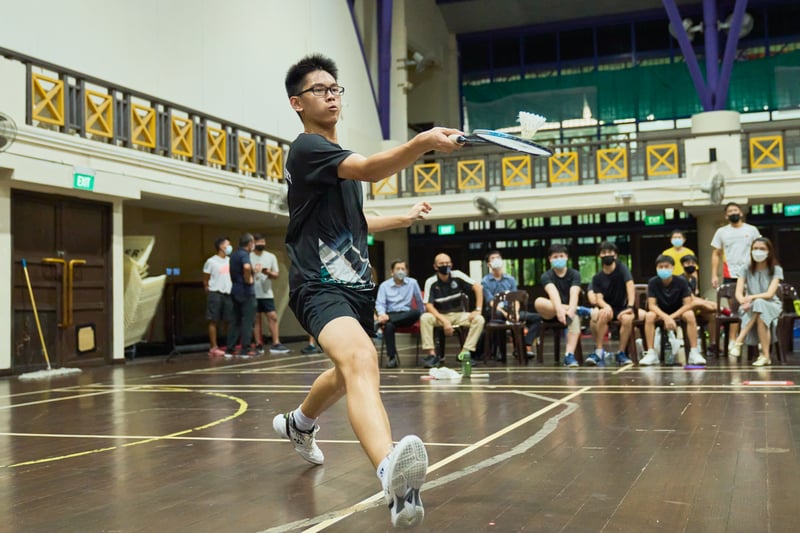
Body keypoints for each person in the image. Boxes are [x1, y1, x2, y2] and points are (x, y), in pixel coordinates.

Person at [272, 54, 462, 529]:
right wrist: (422, 141)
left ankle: (299, 423)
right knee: (360, 361)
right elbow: (376, 169)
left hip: (356, 289)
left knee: (345, 372)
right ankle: (390, 472)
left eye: (336, 88)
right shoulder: (309, 149)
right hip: (318, 284)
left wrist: (404, 217)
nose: (332, 95)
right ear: (297, 103)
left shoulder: (337, 166)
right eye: (320, 90)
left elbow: (357, 225)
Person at [420, 253, 485, 368]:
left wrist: (478, 309)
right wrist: (444, 321)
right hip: (440, 316)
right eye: (441, 264)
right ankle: (432, 355)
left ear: (451, 264)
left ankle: (464, 353)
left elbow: (478, 287)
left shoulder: (458, 275)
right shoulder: (431, 281)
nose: (445, 265)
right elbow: (428, 305)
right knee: (425, 318)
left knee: (479, 319)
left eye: (447, 263)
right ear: (435, 267)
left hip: (459, 314)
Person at [639, 255, 707, 366]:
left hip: (678, 311)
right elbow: (652, 305)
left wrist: (671, 317)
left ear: (672, 268)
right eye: (660, 267)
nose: (663, 269)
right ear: (656, 268)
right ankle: (651, 353)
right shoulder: (653, 282)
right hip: (660, 312)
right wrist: (666, 317)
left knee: (690, 314)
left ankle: (694, 352)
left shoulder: (681, 281)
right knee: (649, 316)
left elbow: (688, 304)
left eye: (666, 266)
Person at [710, 202, 760, 347]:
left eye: (735, 210)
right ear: (726, 216)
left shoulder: (752, 230)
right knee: (735, 309)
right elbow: (716, 253)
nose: (733, 213)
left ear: (741, 213)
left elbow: (759, 248)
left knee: (753, 305)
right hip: (730, 272)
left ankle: (754, 338)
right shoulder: (721, 232)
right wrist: (714, 274)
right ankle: (733, 340)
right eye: (730, 211)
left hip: (751, 273)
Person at [534, 244, 592, 367]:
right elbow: (552, 292)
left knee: (574, 318)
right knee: (539, 301)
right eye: (555, 256)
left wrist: (571, 310)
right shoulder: (546, 276)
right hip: (552, 312)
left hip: (569, 311)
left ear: (566, 257)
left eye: (561, 256)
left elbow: (574, 292)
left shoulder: (574, 274)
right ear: (550, 259)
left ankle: (569, 356)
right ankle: (580, 309)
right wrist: (560, 310)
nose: (558, 259)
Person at [728, 237, 783, 366]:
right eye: (755, 248)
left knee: (759, 303)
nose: (758, 251)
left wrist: (752, 298)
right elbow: (738, 292)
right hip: (749, 306)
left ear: (769, 251)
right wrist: (743, 301)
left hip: (772, 304)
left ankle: (739, 340)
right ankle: (765, 356)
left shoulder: (776, 269)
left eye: (762, 249)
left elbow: (770, 294)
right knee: (759, 309)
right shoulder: (745, 268)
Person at [481, 250, 540, 361]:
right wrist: (506, 314)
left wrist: (515, 312)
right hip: (495, 312)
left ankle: (524, 344)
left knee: (537, 318)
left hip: (511, 310)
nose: (496, 260)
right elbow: (491, 302)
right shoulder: (485, 281)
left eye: (498, 258)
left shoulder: (510, 279)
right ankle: (500, 352)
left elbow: (515, 299)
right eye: (493, 258)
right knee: (498, 316)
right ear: (489, 264)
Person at [585, 242, 637, 367]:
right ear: (599, 256)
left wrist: (630, 307)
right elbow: (598, 298)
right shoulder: (597, 277)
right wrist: (605, 306)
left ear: (615, 255)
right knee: (602, 315)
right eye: (604, 253)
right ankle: (599, 352)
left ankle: (621, 353)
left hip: (623, 307)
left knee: (627, 319)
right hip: (608, 308)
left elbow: (630, 285)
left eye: (610, 252)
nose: (607, 255)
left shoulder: (622, 268)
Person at [375, 260, 424, 369]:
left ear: (406, 271)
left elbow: (419, 301)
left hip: (407, 315)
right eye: (398, 269)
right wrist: (382, 314)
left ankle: (385, 321)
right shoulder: (384, 286)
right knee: (388, 326)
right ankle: (391, 358)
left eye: (403, 269)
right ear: (392, 272)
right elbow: (380, 303)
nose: (400, 271)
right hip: (391, 315)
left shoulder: (413, 283)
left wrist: (423, 316)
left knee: (416, 312)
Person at [250, 234, 289, 354]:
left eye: (263, 241)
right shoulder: (249, 256)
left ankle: (276, 342)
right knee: (256, 318)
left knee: (272, 316)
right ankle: (258, 344)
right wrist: (253, 271)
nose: (261, 243)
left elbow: (276, 274)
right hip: (253, 292)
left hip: (267, 292)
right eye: (259, 241)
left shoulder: (270, 256)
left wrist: (267, 272)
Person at [226, 233, 257, 358]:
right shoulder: (245, 255)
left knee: (235, 321)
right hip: (246, 292)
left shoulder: (233, 255)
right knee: (247, 321)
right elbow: (247, 267)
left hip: (235, 291)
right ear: (249, 243)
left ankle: (230, 348)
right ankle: (245, 348)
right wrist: (248, 279)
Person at [203, 237, 233, 357]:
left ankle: (229, 345)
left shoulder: (230, 260)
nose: (230, 247)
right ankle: (214, 347)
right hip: (215, 293)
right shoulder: (211, 261)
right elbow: (205, 278)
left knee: (229, 320)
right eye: (228, 244)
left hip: (228, 293)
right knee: (213, 320)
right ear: (221, 246)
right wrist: (208, 290)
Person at [679, 254, 717, 348]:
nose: (691, 265)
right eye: (688, 263)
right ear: (682, 265)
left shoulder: (693, 279)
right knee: (708, 305)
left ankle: (713, 344)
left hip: (695, 306)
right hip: (683, 307)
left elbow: (694, 295)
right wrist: (707, 303)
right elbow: (689, 298)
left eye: (693, 263)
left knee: (711, 315)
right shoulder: (680, 280)